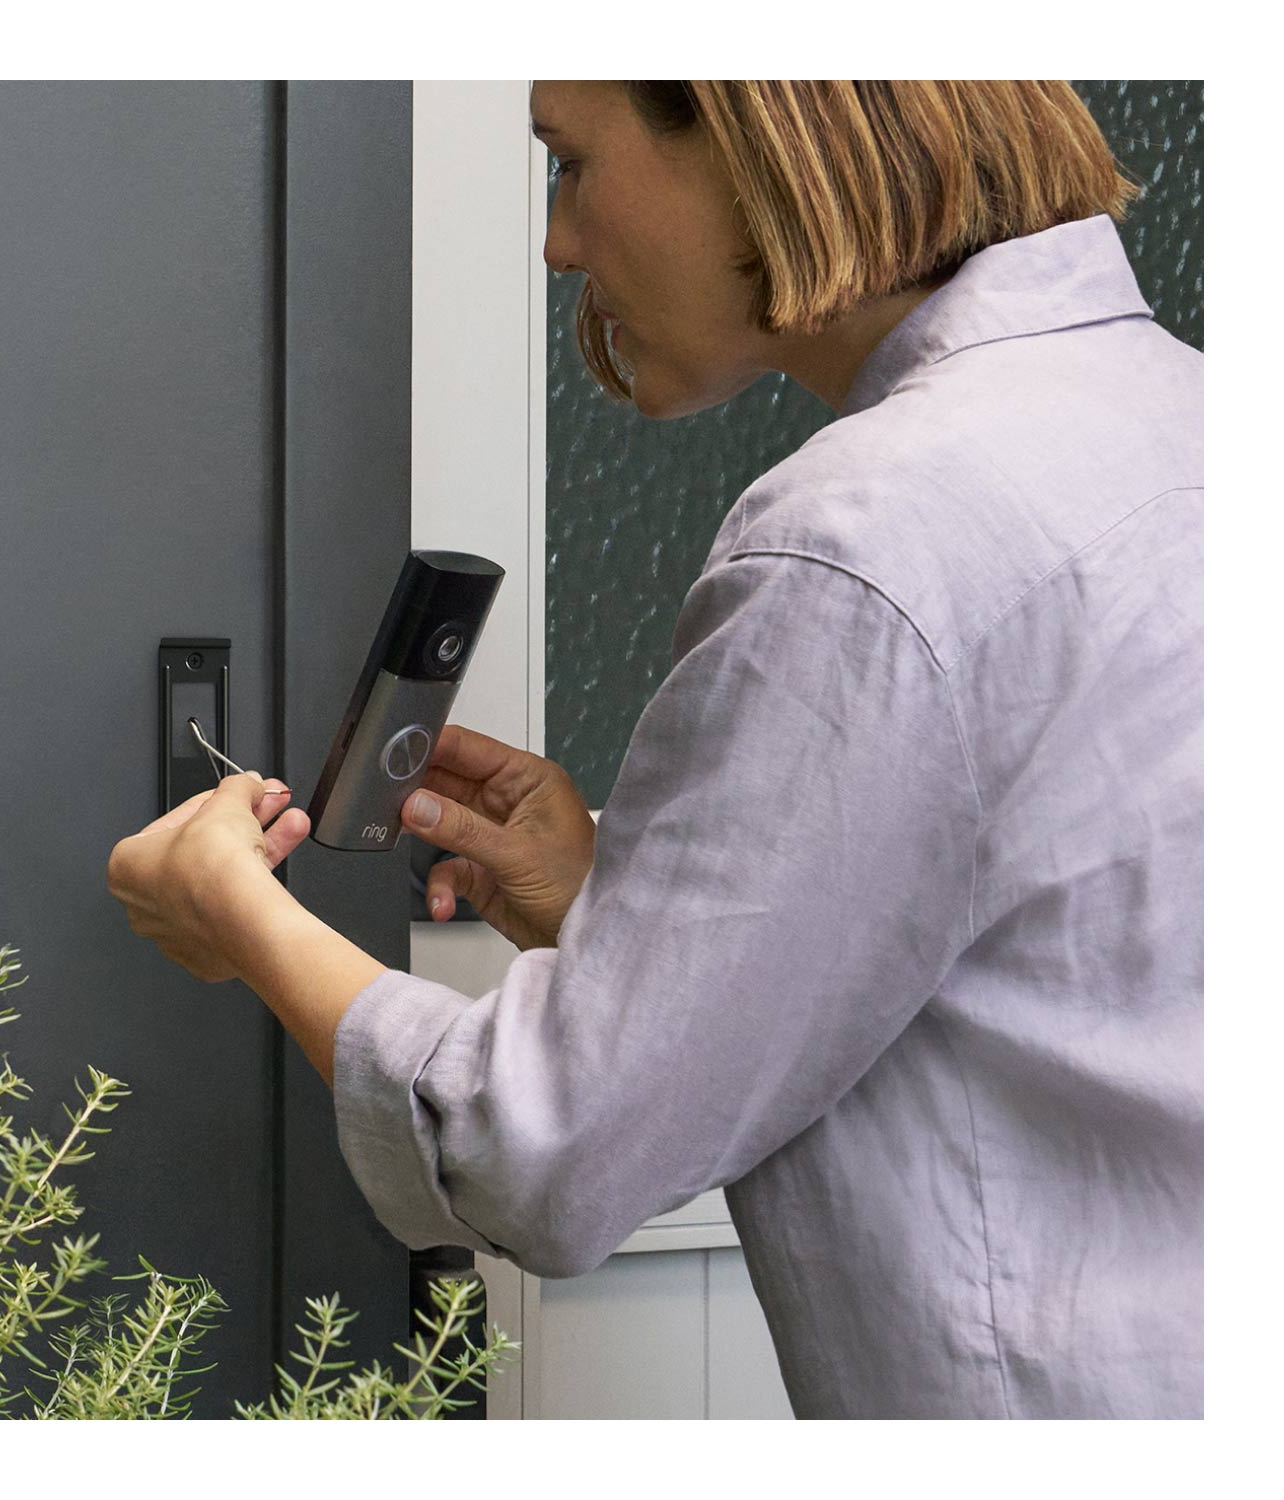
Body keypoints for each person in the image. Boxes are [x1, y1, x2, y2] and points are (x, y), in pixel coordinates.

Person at [108, 80, 1202, 1419]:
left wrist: (238, 914)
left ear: (755, 129)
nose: (557, 244)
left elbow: (550, 1153)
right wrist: (614, 911)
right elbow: (1051, 969)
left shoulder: (869, 538)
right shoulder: (1187, 419)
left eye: (570, 164)